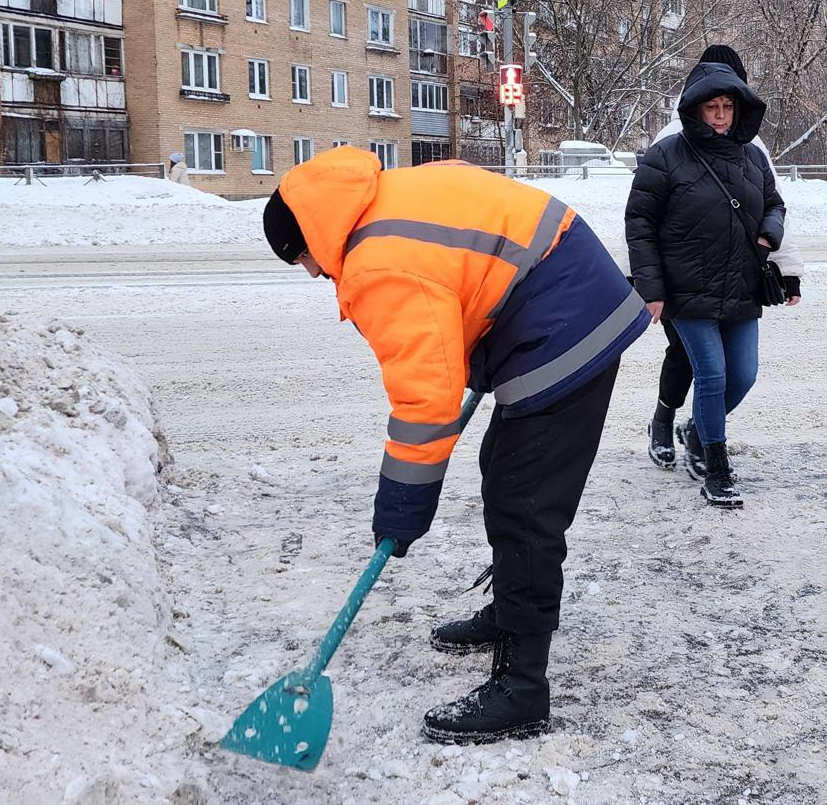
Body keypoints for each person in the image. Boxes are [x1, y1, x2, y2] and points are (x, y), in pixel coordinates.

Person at [261, 147, 648, 743]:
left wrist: (401, 512)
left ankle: (522, 688)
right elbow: (466, 271)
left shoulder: (375, 263)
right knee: (504, 466)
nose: (313, 273)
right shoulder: (392, 193)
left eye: (303, 259)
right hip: (567, 288)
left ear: (313, 234)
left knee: (525, 501)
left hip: (566, 321)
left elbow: (425, 402)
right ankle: (509, 616)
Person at [625, 59, 787, 508]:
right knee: (711, 375)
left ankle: (694, 429)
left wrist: (769, 232)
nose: (720, 115)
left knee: (745, 375)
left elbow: (775, 203)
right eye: (712, 106)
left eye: (727, 107)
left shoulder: (752, 156)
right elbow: (639, 223)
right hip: (687, 288)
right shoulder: (666, 155)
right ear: (695, 109)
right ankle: (716, 466)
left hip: (740, 285)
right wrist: (651, 288)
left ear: (738, 110)